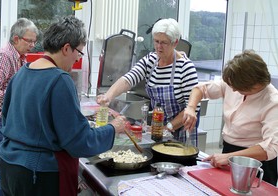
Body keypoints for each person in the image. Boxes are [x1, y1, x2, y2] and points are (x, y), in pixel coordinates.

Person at [0, 15, 126, 196]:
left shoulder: (21, 74)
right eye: (79, 53)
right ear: (67, 48)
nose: (77, 60)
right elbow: (78, 141)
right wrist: (112, 129)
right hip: (39, 176)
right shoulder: (59, 80)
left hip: (10, 168)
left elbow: (6, 119)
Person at [97, 18, 200, 146]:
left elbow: (191, 109)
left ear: (175, 43)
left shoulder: (186, 68)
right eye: (156, 41)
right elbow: (128, 79)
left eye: (164, 43)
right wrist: (108, 96)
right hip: (158, 129)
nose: (158, 47)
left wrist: (167, 127)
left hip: (181, 134)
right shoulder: (151, 60)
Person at [183, 50, 278, 186]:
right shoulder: (234, 81)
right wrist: (191, 108)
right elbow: (200, 89)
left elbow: (271, 148)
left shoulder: (273, 102)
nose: (233, 91)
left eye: (238, 89)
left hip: (255, 162)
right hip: (228, 151)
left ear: (255, 85)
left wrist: (229, 157)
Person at [0, 18, 39, 196]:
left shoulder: (20, 57)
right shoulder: (4, 56)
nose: (33, 45)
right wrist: (17, 103)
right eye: (29, 41)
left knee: (7, 167)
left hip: (7, 119)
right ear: (16, 38)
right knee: (5, 168)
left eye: (34, 41)